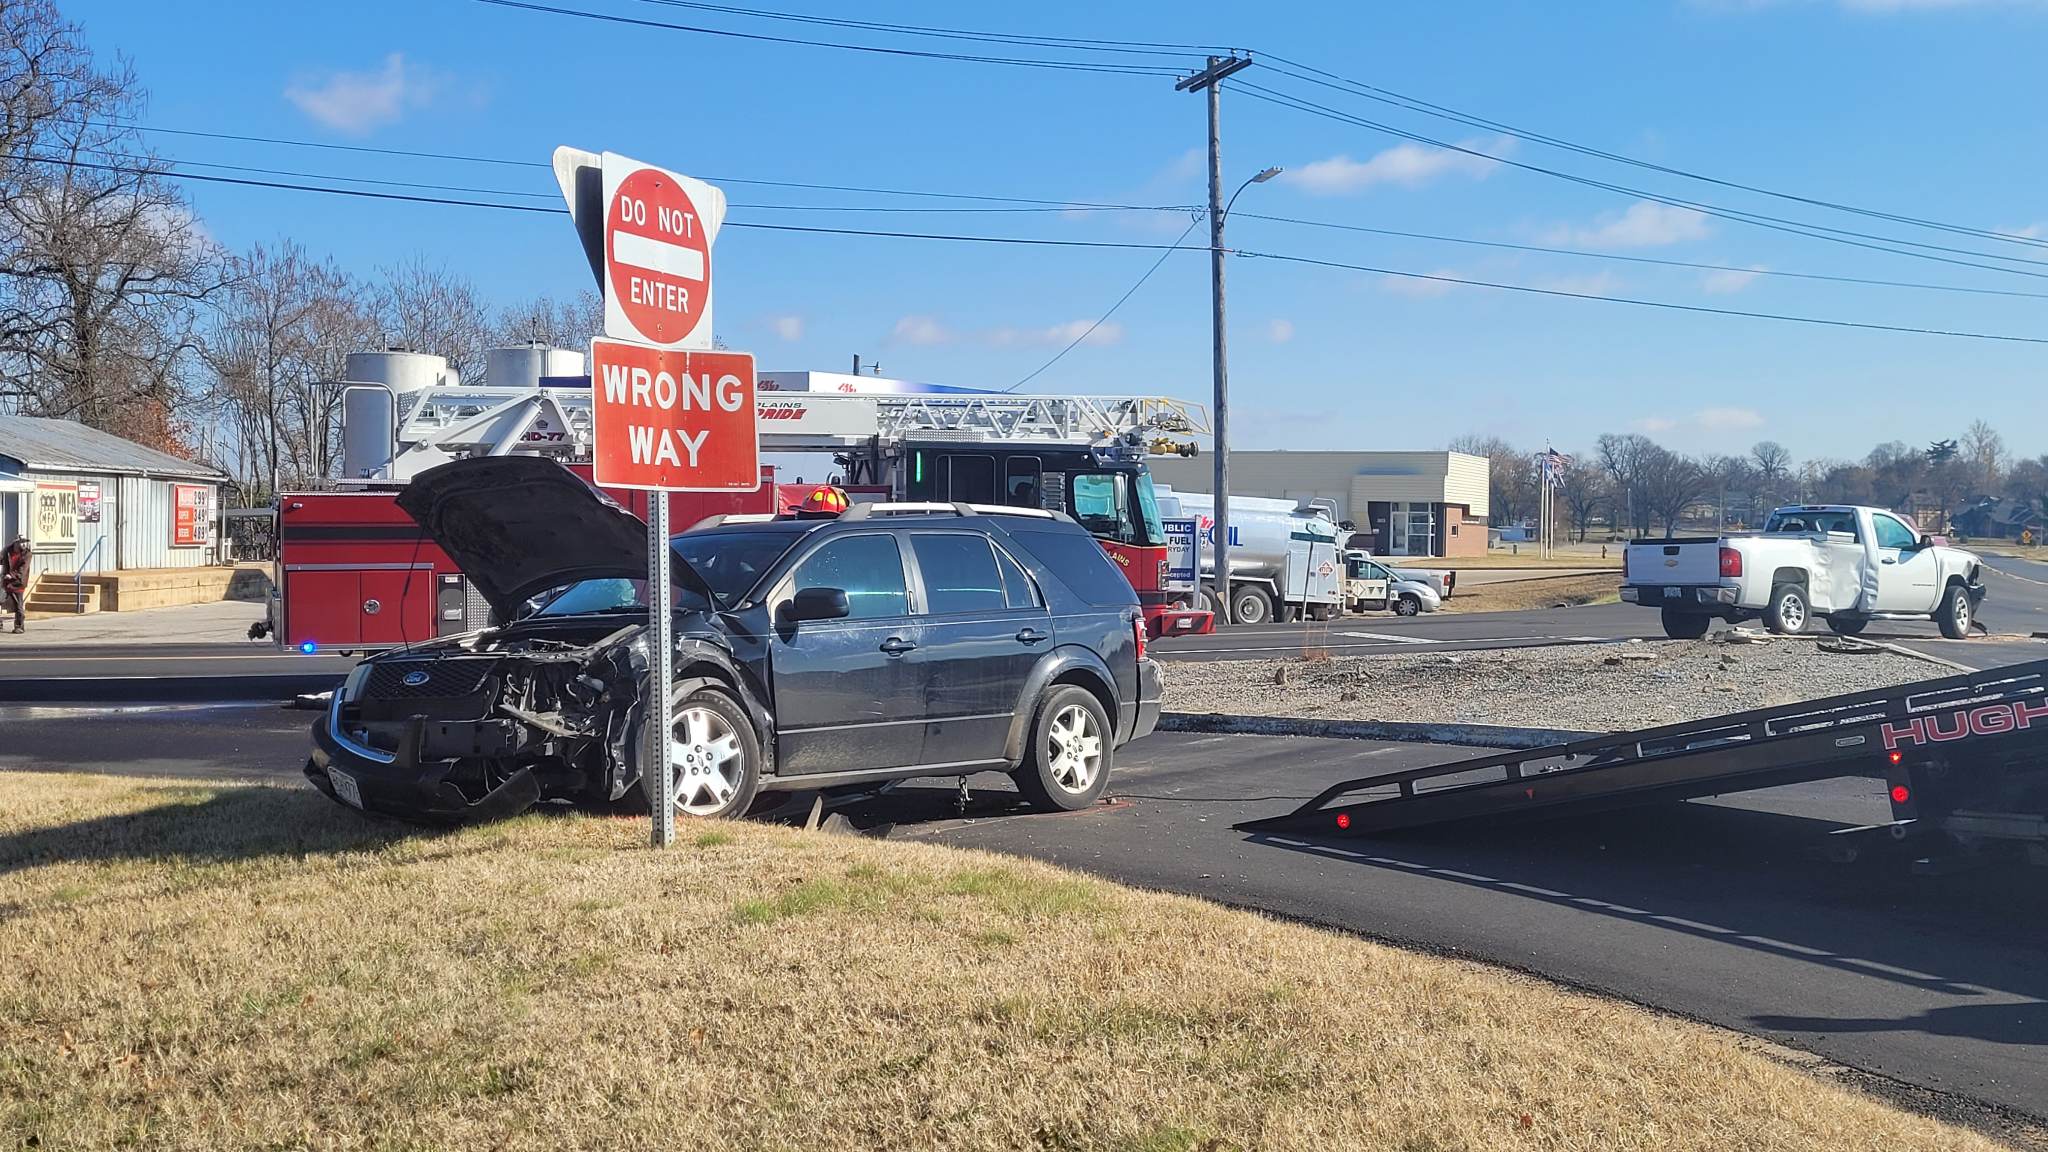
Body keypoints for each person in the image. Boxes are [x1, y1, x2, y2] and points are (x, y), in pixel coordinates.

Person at [2, 536, 30, 634]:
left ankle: (19, 626)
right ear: (15, 543)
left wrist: (12, 575)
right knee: (1, 600)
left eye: (24, 542)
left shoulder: (26, 554)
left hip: (18, 583)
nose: (23, 544)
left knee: (18, 606)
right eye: (20, 542)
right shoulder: (7, 551)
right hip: (6, 582)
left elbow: (23, 569)